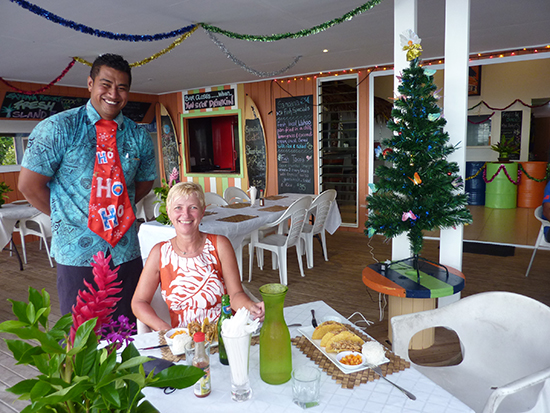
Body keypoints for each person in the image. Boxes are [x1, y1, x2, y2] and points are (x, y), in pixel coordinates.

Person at [18, 54, 157, 323]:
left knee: (128, 330)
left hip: (125, 250)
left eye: (122, 87)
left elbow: (145, 182)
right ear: (90, 84)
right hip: (78, 252)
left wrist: (116, 208)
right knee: (83, 336)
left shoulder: (138, 135)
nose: (113, 94)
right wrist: (72, 215)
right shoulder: (57, 129)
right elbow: (29, 186)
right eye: (106, 84)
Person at [132, 182, 264, 331]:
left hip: (224, 333)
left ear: (202, 212)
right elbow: (139, 302)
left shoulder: (220, 245)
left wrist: (251, 307)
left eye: (193, 207)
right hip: (184, 340)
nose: (185, 214)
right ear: (169, 212)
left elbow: (235, 295)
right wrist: (164, 329)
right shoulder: (159, 253)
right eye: (178, 208)